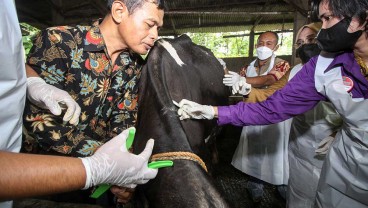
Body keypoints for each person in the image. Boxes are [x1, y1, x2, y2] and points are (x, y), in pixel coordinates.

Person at [177, 0, 368, 207]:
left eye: (328, 18)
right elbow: (272, 106)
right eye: (321, 20)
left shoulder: (282, 65)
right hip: (347, 163)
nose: (323, 30)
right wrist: (212, 111)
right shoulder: (323, 66)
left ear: (361, 17)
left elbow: (269, 81)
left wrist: (245, 86)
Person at [0, 1, 158, 207]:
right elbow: (41, 121)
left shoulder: (134, 65)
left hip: (101, 183)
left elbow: (124, 119)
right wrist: (107, 163)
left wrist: (125, 168)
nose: (155, 35)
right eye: (150, 24)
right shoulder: (59, 41)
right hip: (40, 178)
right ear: (119, 12)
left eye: (158, 28)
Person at [222, 31, 291, 202]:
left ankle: (282, 186)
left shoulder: (282, 65)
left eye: (269, 43)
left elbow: (269, 79)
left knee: (278, 153)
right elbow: (236, 86)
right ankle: (255, 186)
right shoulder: (247, 68)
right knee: (255, 151)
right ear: (256, 45)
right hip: (253, 113)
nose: (264, 47)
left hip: (276, 115)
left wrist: (243, 80)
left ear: (277, 47)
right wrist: (224, 71)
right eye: (261, 43)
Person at [287, 22, 342, 208]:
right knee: (298, 194)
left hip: (331, 148)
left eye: (311, 40)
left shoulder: (343, 70)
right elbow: (275, 99)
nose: (305, 47)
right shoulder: (296, 72)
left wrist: (340, 133)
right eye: (300, 43)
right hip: (300, 145)